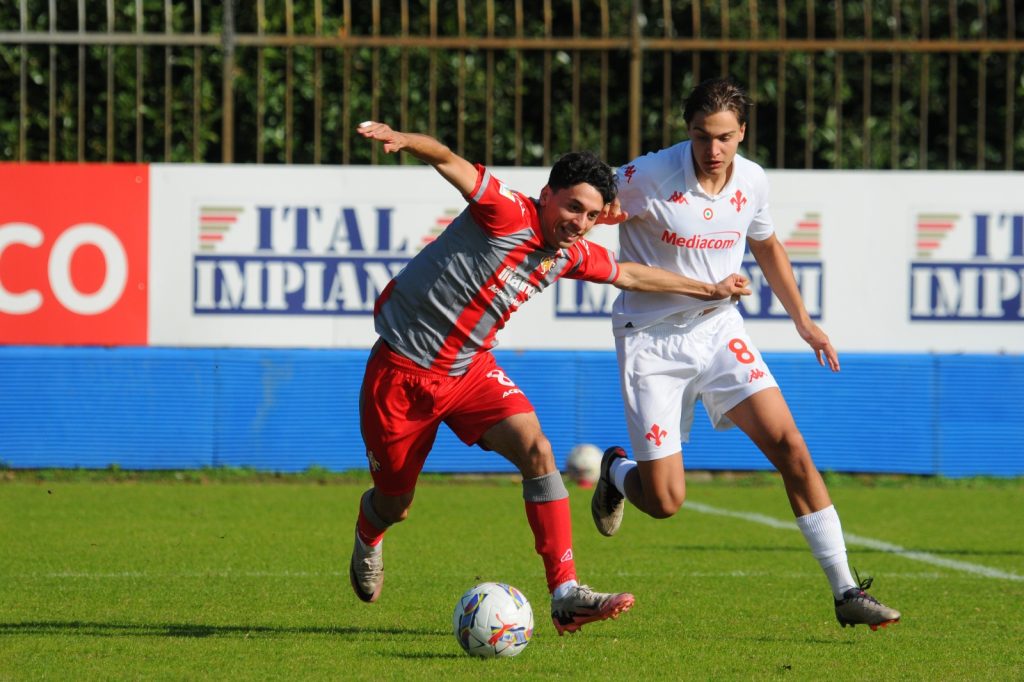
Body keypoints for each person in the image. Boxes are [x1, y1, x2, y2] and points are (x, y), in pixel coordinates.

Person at [350, 120, 751, 635]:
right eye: (571, 207)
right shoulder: (505, 210)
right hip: (401, 373)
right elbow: (448, 159)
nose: (580, 221)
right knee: (394, 504)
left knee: (538, 450)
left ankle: (565, 594)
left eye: (589, 214)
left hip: (470, 371)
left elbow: (629, 273)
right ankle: (369, 531)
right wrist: (407, 141)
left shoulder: (567, 253)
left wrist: (709, 288)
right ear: (546, 196)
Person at [590, 78, 902, 630]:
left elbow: (767, 245)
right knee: (664, 501)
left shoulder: (752, 181)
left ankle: (846, 590)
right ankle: (617, 472)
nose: (714, 150)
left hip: (718, 331)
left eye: (727, 138)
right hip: (650, 339)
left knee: (791, 446)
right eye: (703, 136)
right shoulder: (649, 176)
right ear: (687, 132)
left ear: (743, 133)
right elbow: (593, 207)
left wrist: (804, 322)